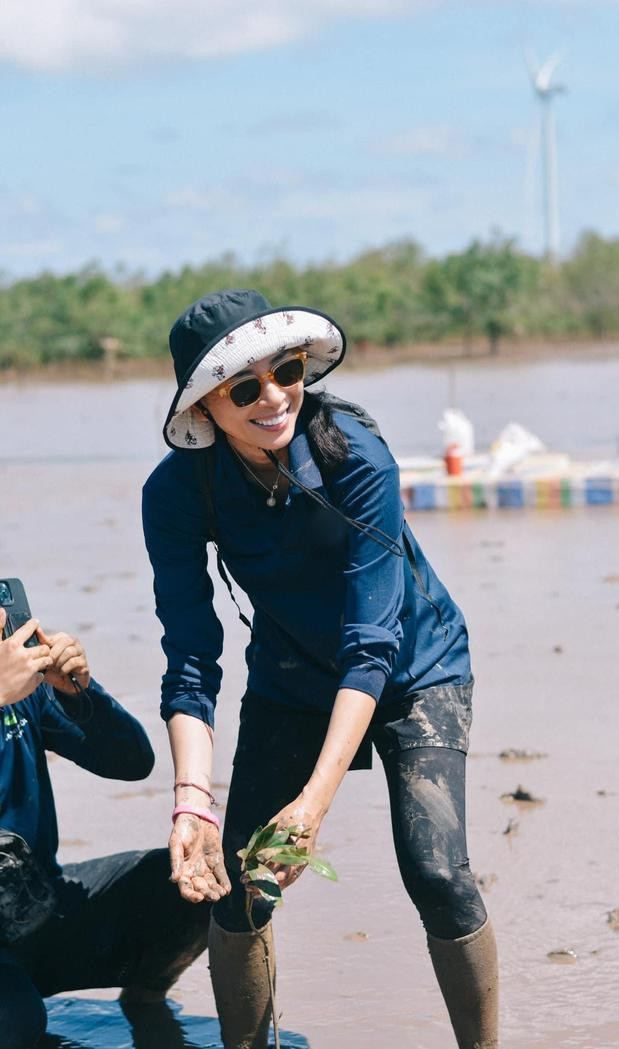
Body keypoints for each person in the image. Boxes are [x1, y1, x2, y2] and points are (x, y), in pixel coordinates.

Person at [142, 289, 499, 1049]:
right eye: (244, 387)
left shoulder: (355, 455)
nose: (274, 398)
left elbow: (371, 643)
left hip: (414, 666)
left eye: (288, 371)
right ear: (204, 407)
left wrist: (311, 805)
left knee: (436, 871)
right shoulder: (176, 493)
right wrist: (190, 803)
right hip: (290, 675)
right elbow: (191, 658)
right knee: (240, 885)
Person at [0, 606, 212, 1049]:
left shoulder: (22, 686)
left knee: (193, 885)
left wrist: (79, 691)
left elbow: (132, 762)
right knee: (16, 1023)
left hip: (37, 904)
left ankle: (147, 1010)